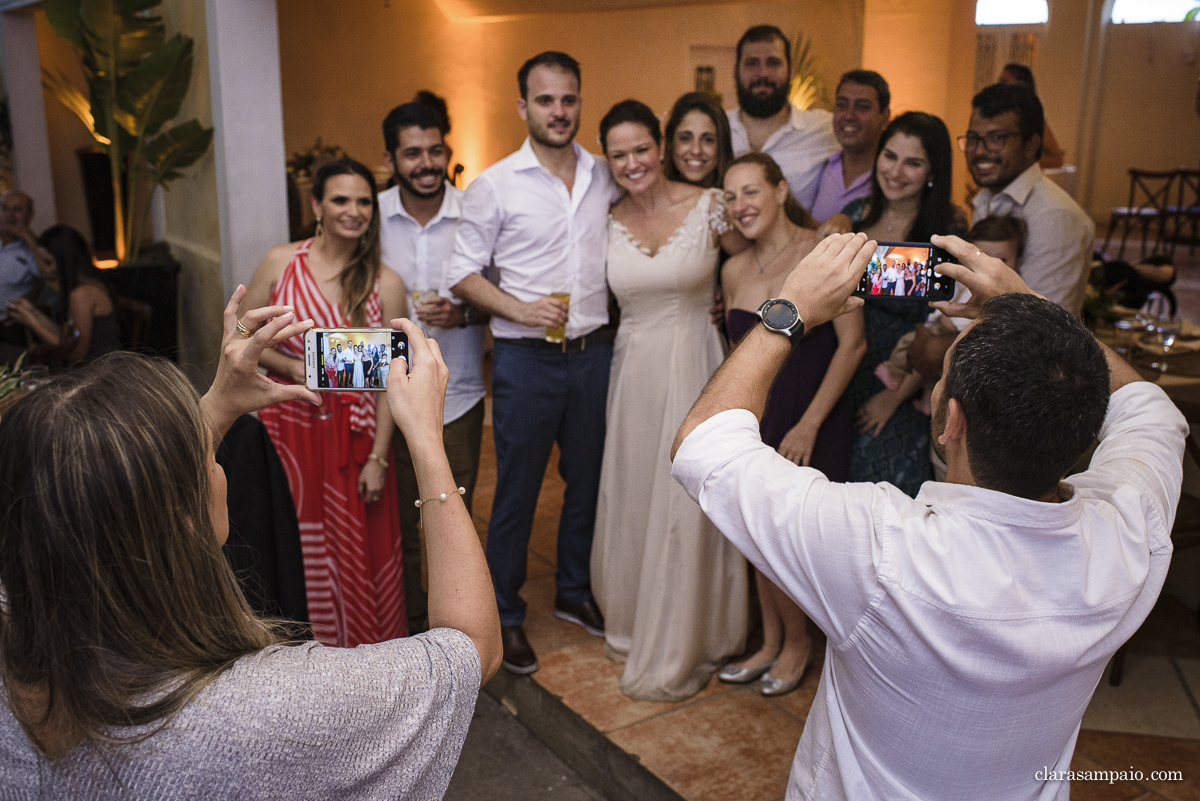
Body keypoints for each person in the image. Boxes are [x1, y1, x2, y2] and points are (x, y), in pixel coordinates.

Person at [670, 231, 1185, 800]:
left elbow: (702, 446)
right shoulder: (1129, 536)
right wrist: (1032, 309)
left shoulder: (879, 550)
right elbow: (1149, 410)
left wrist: (786, 313)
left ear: (953, 421)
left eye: (944, 375)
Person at [0, 289, 502, 798]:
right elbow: (471, 647)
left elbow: (115, 495)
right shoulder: (271, 708)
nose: (217, 461)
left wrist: (219, 403)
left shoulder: (17, 643)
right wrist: (425, 442)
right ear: (188, 525)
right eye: (208, 461)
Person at [447, 51, 618, 674]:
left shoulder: (605, 175)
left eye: (569, 99)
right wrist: (518, 310)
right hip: (526, 360)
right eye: (545, 100)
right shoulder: (495, 184)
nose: (559, 111)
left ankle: (573, 590)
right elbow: (460, 273)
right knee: (517, 491)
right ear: (523, 106)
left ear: (580, 101)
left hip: (596, 355)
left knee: (588, 481)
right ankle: (505, 615)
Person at [590, 100, 746, 701]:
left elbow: (759, 254)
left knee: (689, 487)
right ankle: (633, 618)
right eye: (619, 154)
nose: (633, 163)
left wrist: (732, 309)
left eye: (641, 149)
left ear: (661, 144)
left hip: (696, 363)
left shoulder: (710, 206)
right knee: (636, 488)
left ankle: (693, 629)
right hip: (633, 371)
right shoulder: (604, 219)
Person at [242, 158, 408, 648]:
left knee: (359, 554)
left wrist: (379, 457)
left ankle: (360, 665)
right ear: (317, 205)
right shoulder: (280, 262)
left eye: (363, 202)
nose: (352, 211)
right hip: (288, 431)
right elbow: (238, 334)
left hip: (355, 440)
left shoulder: (386, 282)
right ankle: (295, 657)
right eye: (340, 199)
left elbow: (391, 381)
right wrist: (293, 367)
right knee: (293, 545)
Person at [718, 152, 864, 697]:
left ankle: (799, 645)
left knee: (794, 541)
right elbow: (740, 355)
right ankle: (770, 641)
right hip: (760, 418)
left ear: (781, 190)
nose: (740, 206)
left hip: (812, 416)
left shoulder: (825, 253)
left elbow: (853, 347)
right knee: (757, 532)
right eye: (730, 197)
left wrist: (807, 426)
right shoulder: (732, 270)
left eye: (750, 192)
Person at [380, 98, 488, 634]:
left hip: (460, 392)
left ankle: (457, 631)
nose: (426, 162)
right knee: (396, 520)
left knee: (451, 514)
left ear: (448, 149)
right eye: (412, 153)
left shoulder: (475, 212)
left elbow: (506, 295)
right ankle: (409, 626)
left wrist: (464, 311)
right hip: (385, 397)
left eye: (435, 150)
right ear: (393, 158)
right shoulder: (368, 214)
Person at [830, 112, 961, 495]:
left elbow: (945, 330)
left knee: (882, 503)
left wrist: (893, 398)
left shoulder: (943, 238)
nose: (896, 171)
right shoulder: (853, 219)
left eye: (913, 162)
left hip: (901, 387)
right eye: (890, 156)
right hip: (839, 375)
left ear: (932, 171)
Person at [964, 83, 1094, 316]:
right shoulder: (986, 200)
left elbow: (1042, 324)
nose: (980, 150)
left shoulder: (1055, 216)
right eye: (973, 138)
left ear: (1032, 145)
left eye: (996, 138)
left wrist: (936, 345)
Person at [727, 25, 838, 211]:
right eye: (752, 63)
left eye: (773, 62)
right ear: (735, 71)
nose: (762, 73)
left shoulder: (825, 129)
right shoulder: (715, 128)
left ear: (791, 70)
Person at [7, 225, 120, 363]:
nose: (45, 269)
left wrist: (31, 321)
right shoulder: (81, 284)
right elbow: (66, 338)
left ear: (65, 260)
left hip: (101, 372)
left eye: (48, 262)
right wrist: (33, 313)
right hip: (91, 369)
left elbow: (75, 354)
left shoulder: (83, 293)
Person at [811, 70, 891, 225]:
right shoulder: (821, 166)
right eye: (841, 105)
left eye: (862, 107)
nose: (849, 115)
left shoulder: (892, 177)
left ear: (885, 115)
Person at [997, 63, 1065, 169]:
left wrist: (1021, 161)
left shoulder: (1032, 118)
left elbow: (1057, 159)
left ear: (1021, 85)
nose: (998, 87)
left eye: (1004, 82)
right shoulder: (996, 115)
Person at [663, 91, 735, 189]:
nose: (696, 150)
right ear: (670, 143)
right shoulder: (653, 199)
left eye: (708, 140)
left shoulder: (736, 201)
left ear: (722, 145)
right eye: (685, 138)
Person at [0, 190, 41, 355]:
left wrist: (26, 234)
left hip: (10, 327)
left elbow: (49, 275)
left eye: (17, 210)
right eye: (4, 208)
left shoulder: (33, 250)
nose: (10, 215)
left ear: (29, 214)